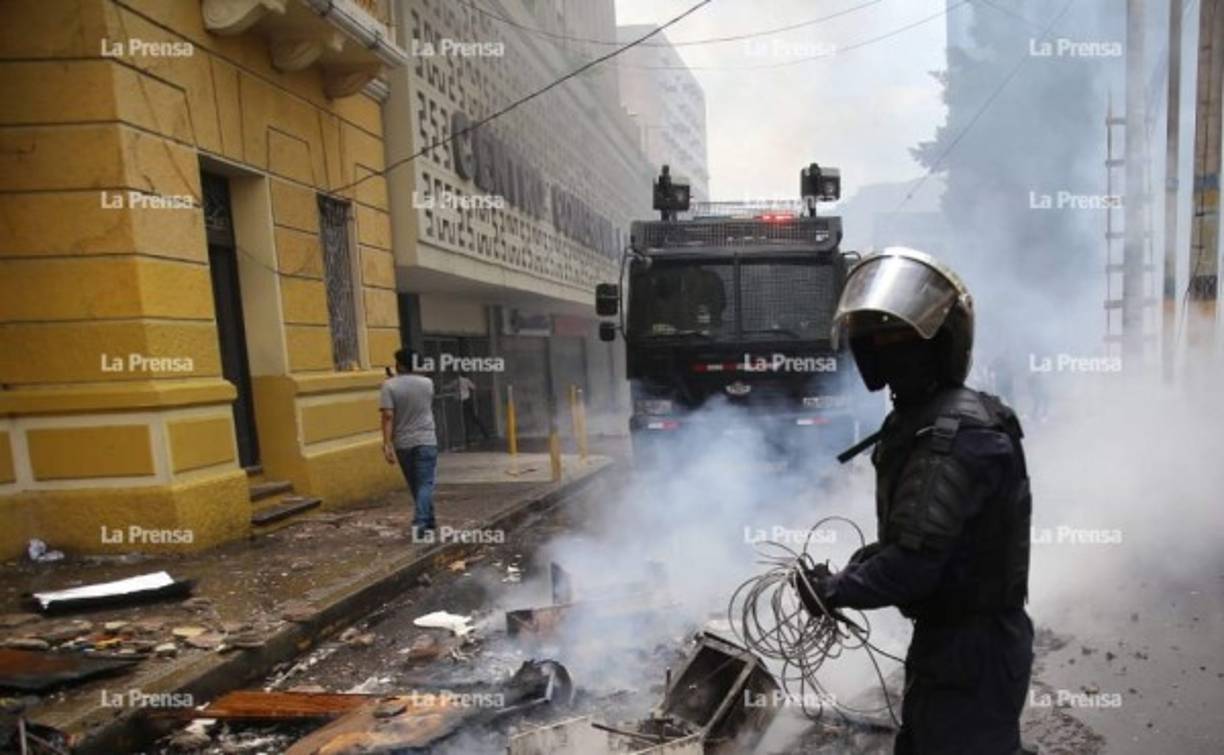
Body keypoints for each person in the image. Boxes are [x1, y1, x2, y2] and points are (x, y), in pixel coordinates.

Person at [796, 248, 1034, 755]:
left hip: (973, 650)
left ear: (941, 345)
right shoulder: (929, 421)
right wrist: (867, 562)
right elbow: (926, 540)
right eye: (880, 343)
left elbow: (917, 564)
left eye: (904, 342)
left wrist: (838, 589)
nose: (891, 355)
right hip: (952, 644)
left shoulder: (954, 437)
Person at [380, 348, 438, 539]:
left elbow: (388, 416)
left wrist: (386, 444)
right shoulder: (427, 383)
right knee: (425, 483)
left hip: (403, 443)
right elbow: (419, 395)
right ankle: (428, 520)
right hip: (427, 440)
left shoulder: (388, 386)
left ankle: (420, 523)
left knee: (416, 484)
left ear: (401, 365)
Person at [456, 371, 490, 443]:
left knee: (465, 421)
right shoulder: (466, 380)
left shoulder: (458, 380)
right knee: (473, 418)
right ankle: (485, 433)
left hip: (463, 402)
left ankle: (467, 438)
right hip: (467, 400)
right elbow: (474, 387)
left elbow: (449, 386)